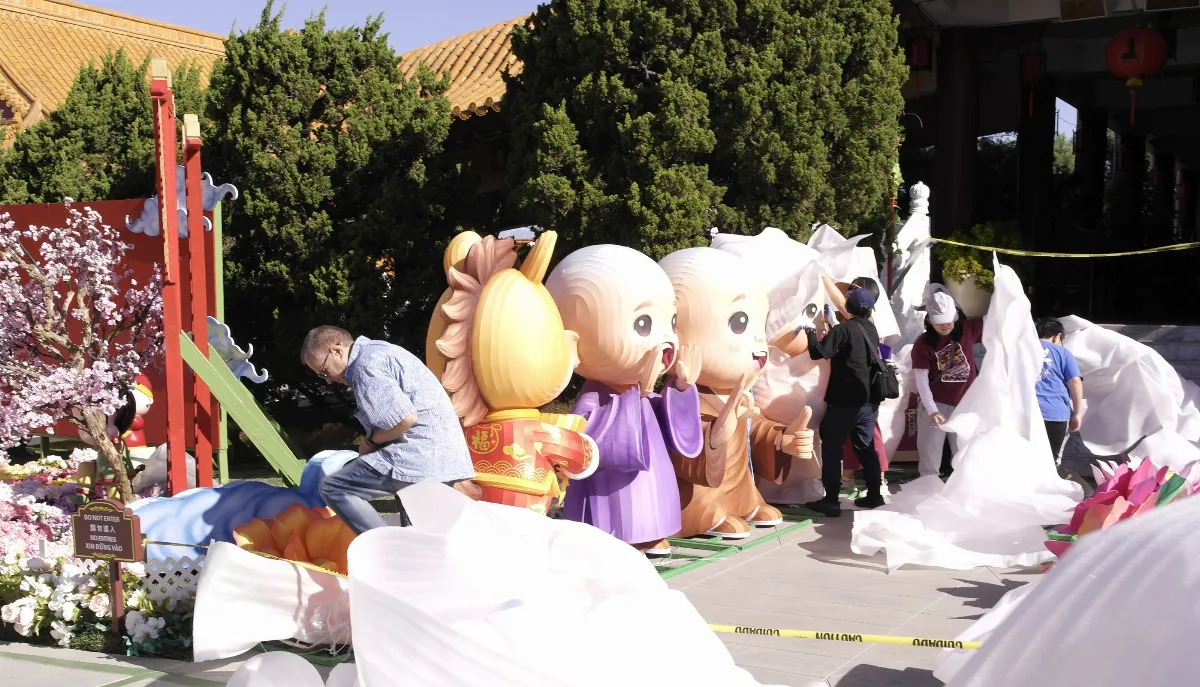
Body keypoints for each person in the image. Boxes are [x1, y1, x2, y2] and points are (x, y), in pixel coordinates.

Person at [300, 326, 475, 533]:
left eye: (324, 371)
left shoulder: (366, 365)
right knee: (422, 537)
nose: (328, 379)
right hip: (445, 457)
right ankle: (403, 553)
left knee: (335, 488)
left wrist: (371, 442)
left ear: (336, 350)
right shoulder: (380, 351)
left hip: (417, 458)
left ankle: (384, 549)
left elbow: (404, 420)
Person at [800, 287, 884, 517]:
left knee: (831, 447)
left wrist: (810, 331)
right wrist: (835, 325)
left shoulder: (843, 330)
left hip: (844, 402)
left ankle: (831, 499)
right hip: (867, 402)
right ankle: (875, 494)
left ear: (849, 307)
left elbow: (818, 353)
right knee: (866, 448)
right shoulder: (871, 330)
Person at [911, 288, 984, 479]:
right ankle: (927, 494)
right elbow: (921, 379)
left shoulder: (968, 330)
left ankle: (963, 494)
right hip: (936, 404)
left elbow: (997, 315)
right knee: (930, 459)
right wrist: (932, 409)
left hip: (965, 404)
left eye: (948, 321)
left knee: (965, 454)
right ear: (929, 321)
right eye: (939, 322)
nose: (944, 326)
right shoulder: (923, 343)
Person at [1035, 317, 1084, 464]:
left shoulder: (1022, 350)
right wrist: (1077, 414)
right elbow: (1075, 381)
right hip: (1055, 414)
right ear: (1058, 336)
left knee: (1027, 459)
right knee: (1051, 461)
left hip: (1028, 413)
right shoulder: (1063, 353)